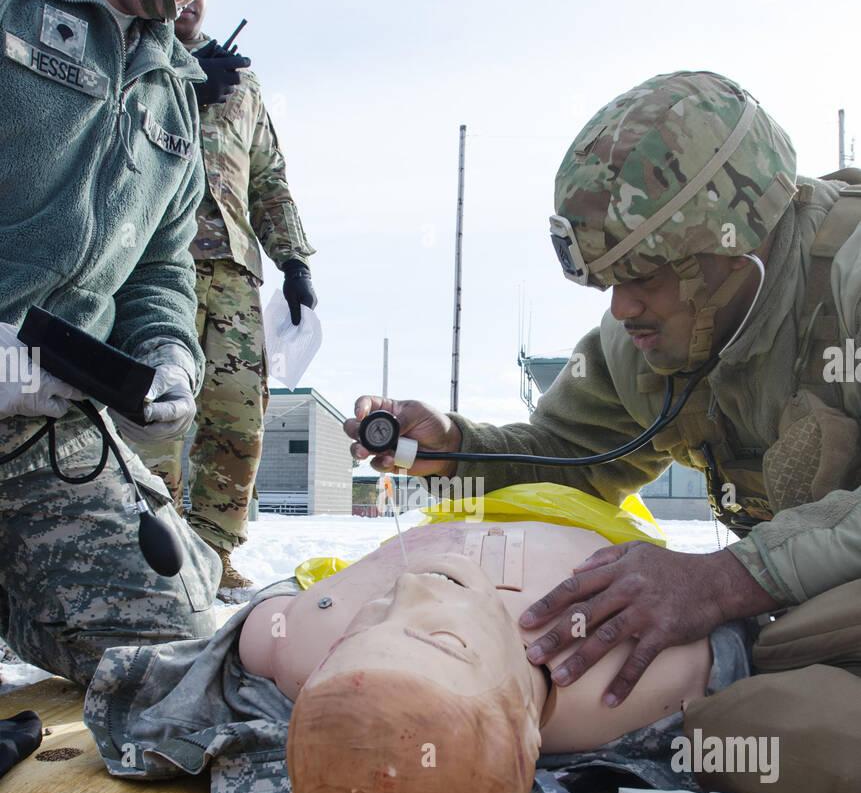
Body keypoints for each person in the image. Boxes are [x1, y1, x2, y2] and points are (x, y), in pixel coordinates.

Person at [344, 72, 861, 722]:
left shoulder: (848, 275)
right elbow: (572, 460)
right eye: (610, 281)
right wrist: (454, 450)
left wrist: (730, 578)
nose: (622, 308)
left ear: (734, 245)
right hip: (812, 617)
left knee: (791, 739)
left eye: (644, 275)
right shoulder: (647, 338)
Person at [84, 513, 766, 793]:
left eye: (365, 631)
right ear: (528, 733)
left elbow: (260, 630)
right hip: (583, 505)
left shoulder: (299, 638)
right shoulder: (641, 674)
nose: (409, 595)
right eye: (443, 641)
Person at [0, 0, 297, 686]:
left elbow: (163, 272)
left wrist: (170, 355)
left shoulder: (171, 91)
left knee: (181, 654)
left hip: (45, 436)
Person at [135, 0, 316, 596]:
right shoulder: (132, 53)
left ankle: (213, 551)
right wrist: (181, 84)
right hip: (156, 263)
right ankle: (153, 551)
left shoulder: (244, 83)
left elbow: (269, 177)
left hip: (236, 269)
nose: (191, 3)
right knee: (157, 410)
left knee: (238, 415)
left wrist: (293, 261)